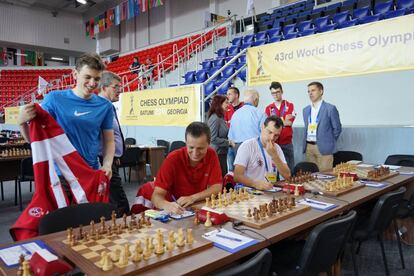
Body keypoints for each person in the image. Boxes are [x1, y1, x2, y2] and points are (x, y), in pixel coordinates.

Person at [18, 53, 115, 181]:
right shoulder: (54, 99)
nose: (92, 83)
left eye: (97, 79)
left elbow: (109, 140)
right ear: (75, 74)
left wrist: (107, 164)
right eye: (87, 77)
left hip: (91, 172)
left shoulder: (105, 106)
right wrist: (21, 124)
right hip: (60, 174)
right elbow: (36, 140)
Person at [98, 71, 130, 216]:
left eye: (120, 86)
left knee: (113, 200)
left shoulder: (108, 106)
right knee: (119, 202)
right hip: (103, 161)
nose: (120, 90)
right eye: (115, 87)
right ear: (104, 87)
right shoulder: (99, 107)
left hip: (110, 160)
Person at [234, 116, 290, 190]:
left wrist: (275, 156)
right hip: (251, 190)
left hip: (270, 190)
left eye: (276, 135)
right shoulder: (247, 146)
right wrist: (254, 183)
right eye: (270, 132)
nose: (272, 138)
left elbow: (287, 175)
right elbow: (237, 176)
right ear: (262, 127)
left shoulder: (277, 148)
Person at [303, 81, 342, 172]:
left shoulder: (330, 108)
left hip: (324, 148)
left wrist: (328, 141)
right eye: (308, 91)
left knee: (325, 176)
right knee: (311, 176)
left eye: (313, 90)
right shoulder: (305, 110)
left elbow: (337, 128)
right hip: (309, 147)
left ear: (321, 91)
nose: (310, 93)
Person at [264, 81, 296, 172]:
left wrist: (275, 121)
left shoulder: (289, 105)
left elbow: (289, 123)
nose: (275, 95)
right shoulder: (268, 108)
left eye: (278, 92)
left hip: (286, 144)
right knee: (274, 170)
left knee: (289, 170)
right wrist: (283, 120)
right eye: (273, 93)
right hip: (273, 143)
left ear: (282, 92)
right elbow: (269, 125)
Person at [228, 89, 266, 155]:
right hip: (255, 147)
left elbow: (231, 137)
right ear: (256, 99)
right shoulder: (260, 113)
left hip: (238, 147)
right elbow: (265, 134)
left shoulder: (235, 114)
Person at [207, 95, 235, 177]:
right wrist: (228, 142)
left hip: (221, 153)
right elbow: (212, 138)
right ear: (219, 104)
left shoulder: (220, 117)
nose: (228, 105)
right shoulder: (215, 118)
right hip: (216, 153)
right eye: (226, 103)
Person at [224, 87, 244, 172]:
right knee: (231, 169)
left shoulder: (244, 107)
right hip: (230, 144)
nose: (227, 96)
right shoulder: (227, 109)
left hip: (241, 143)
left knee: (241, 168)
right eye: (227, 94)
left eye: (229, 94)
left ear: (236, 95)